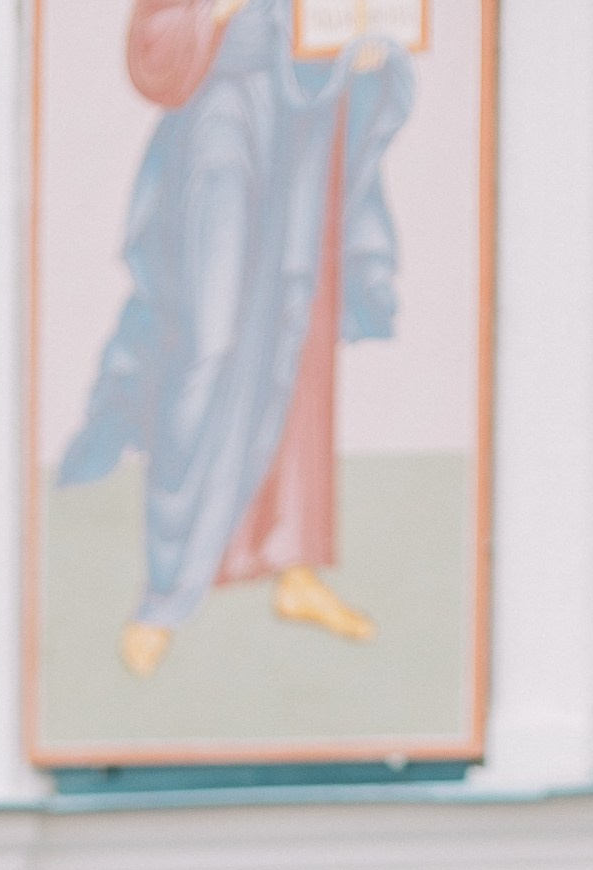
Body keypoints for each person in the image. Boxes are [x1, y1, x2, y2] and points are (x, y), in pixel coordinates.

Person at [58, 0, 415, 670]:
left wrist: (365, 50)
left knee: (296, 334)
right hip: (222, 121)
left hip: (307, 116)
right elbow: (153, 41)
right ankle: (164, 590)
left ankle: (294, 562)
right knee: (209, 342)